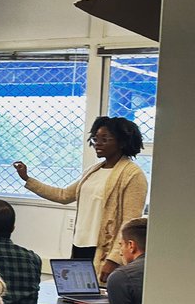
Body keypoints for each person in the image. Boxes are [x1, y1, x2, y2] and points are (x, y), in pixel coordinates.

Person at [15, 116, 147, 281]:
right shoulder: (93, 171)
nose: (98, 143)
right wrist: (27, 179)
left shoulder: (132, 174)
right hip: (80, 245)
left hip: (103, 251)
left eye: (105, 139)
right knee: (77, 292)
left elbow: (130, 222)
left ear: (122, 142)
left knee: (100, 294)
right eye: (95, 139)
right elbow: (63, 195)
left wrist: (114, 259)